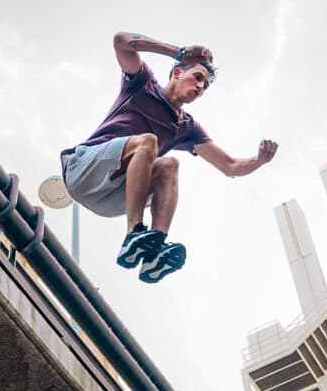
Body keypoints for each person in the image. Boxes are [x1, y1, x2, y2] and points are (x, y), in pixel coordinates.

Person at [59, 32, 279, 283]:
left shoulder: (186, 126)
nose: (199, 87)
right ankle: (134, 233)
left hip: (108, 199)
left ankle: (152, 252)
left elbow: (229, 166)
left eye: (205, 86)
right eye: (197, 78)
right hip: (82, 171)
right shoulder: (142, 83)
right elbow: (121, 42)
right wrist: (177, 52)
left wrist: (259, 160)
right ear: (177, 73)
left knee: (169, 165)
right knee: (148, 142)